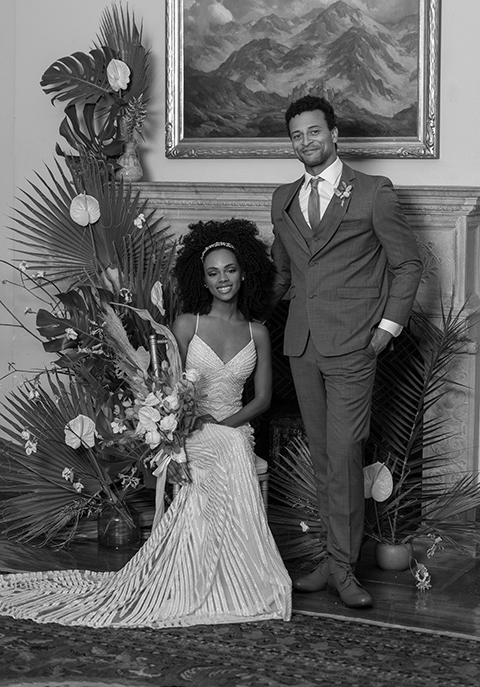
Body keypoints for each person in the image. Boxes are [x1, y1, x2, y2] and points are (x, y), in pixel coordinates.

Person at [0, 218, 292, 628]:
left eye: (230, 270)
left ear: (244, 273)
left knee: (232, 448)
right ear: (202, 280)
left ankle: (237, 577)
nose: (223, 279)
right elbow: (163, 385)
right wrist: (185, 422)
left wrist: (223, 424)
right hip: (188, 428)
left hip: (234, 425)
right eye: (213, 273)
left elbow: (262, 398)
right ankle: (204, 574)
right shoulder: (186, 325)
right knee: (226, 453)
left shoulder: (257, 331)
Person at [270, 94, 422, 608]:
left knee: (345, 453)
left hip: (356, 344)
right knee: (322, 459)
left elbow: (408, 264)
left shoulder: (373, 193)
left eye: (314, 132)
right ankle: (328, 561)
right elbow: (283, 274)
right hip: (302, 344)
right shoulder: (283, 198)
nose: (306, 141)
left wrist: (389, 326)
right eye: (297, 135)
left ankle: (346, 569)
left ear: (334, 135)